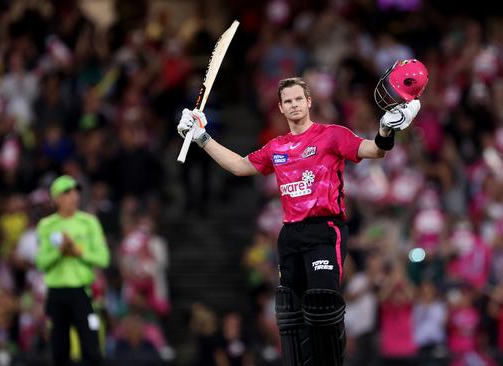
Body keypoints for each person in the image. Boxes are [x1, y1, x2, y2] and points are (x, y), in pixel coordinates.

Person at [176, 61, 426, 366]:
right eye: (287, 101)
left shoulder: (332, 135)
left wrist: (386, 129)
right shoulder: (276, 147)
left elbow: (375, 150)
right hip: (291, 233)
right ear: (280, 108)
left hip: (325, 229)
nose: (293, 105)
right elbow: (240, 166)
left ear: (308, 102)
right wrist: (202, 137)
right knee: (290, 313)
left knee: (323, 303)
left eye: (298, 99)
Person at [36, 175, 110, 366]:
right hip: (56, 294)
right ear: (56, 198)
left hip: (82, 292)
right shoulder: (47, 226)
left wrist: (78, 251)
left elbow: (103, 258)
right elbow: (41, 262)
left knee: (92, 349)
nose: (73, 196)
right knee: (59, 351)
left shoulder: (89, 222)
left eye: (75, 191)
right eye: (67, 192)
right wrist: (60, 252)